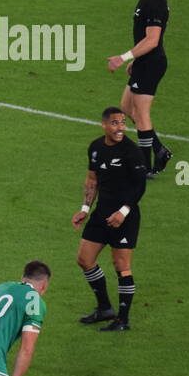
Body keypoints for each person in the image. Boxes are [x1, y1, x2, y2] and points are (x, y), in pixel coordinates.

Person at [72, 107, 147, 332]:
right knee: (84, 259)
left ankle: (123, 320)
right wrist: (85, 208)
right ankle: (105, 308)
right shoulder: (96, 148)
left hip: (125, 216)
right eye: (115, 123)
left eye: (123, 123)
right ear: (104, 125)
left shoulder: (131, 151)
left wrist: (123, 212)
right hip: (101, 213)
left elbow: (139, 186)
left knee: (121, 265)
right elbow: (91, 179)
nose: (121, 127)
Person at [107, 0, 173, 179]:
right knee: (127, 108)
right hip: (145, 62)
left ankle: (144, 168)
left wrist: (124, 57)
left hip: (152, 64)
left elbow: (152, 40)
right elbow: (145, 41)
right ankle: (159, 150)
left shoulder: (154, 3)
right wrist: (136, 60)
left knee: (142, 115)